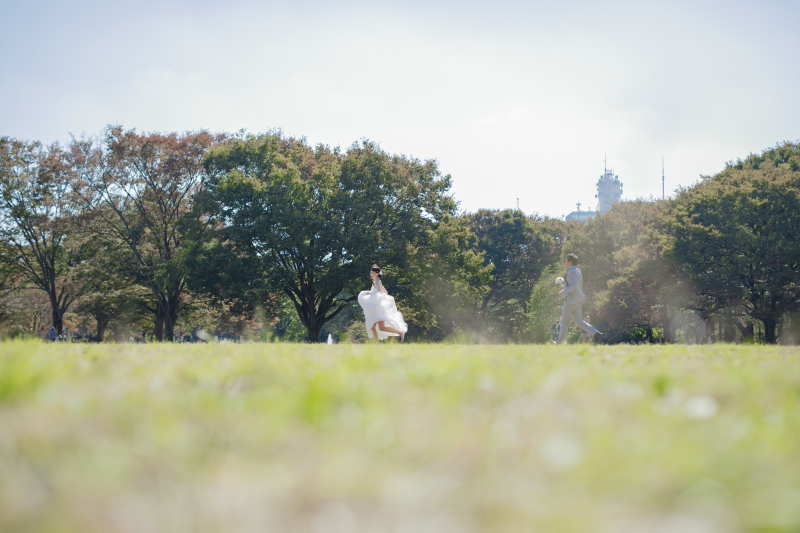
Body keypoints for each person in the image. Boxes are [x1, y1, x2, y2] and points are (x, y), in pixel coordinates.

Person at [556, 254, 604, 344]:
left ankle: (560, 343)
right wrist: (565, 288)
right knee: (579, 321)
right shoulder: (577, 271)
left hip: (570, 300)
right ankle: (596, 334)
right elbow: (575, 286)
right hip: (577, 300)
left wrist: (563, 292)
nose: (565, 262)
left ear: (570, 262)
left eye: (566, 261)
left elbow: (574, 286)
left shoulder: (571, 271)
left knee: (564, 321)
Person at [357, 264, 407, 342]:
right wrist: (371, 293)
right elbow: (385, 292)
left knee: (379, 327)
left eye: (372, 273)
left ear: (377, 273)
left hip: (378, 309)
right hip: (378, 308)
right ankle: (378, 344)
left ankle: (400, 332)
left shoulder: (377, 282)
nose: (371, 274)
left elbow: (380, 293)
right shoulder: (377, 282)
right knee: (375, 327)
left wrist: (371, 294)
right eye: (370, 273)